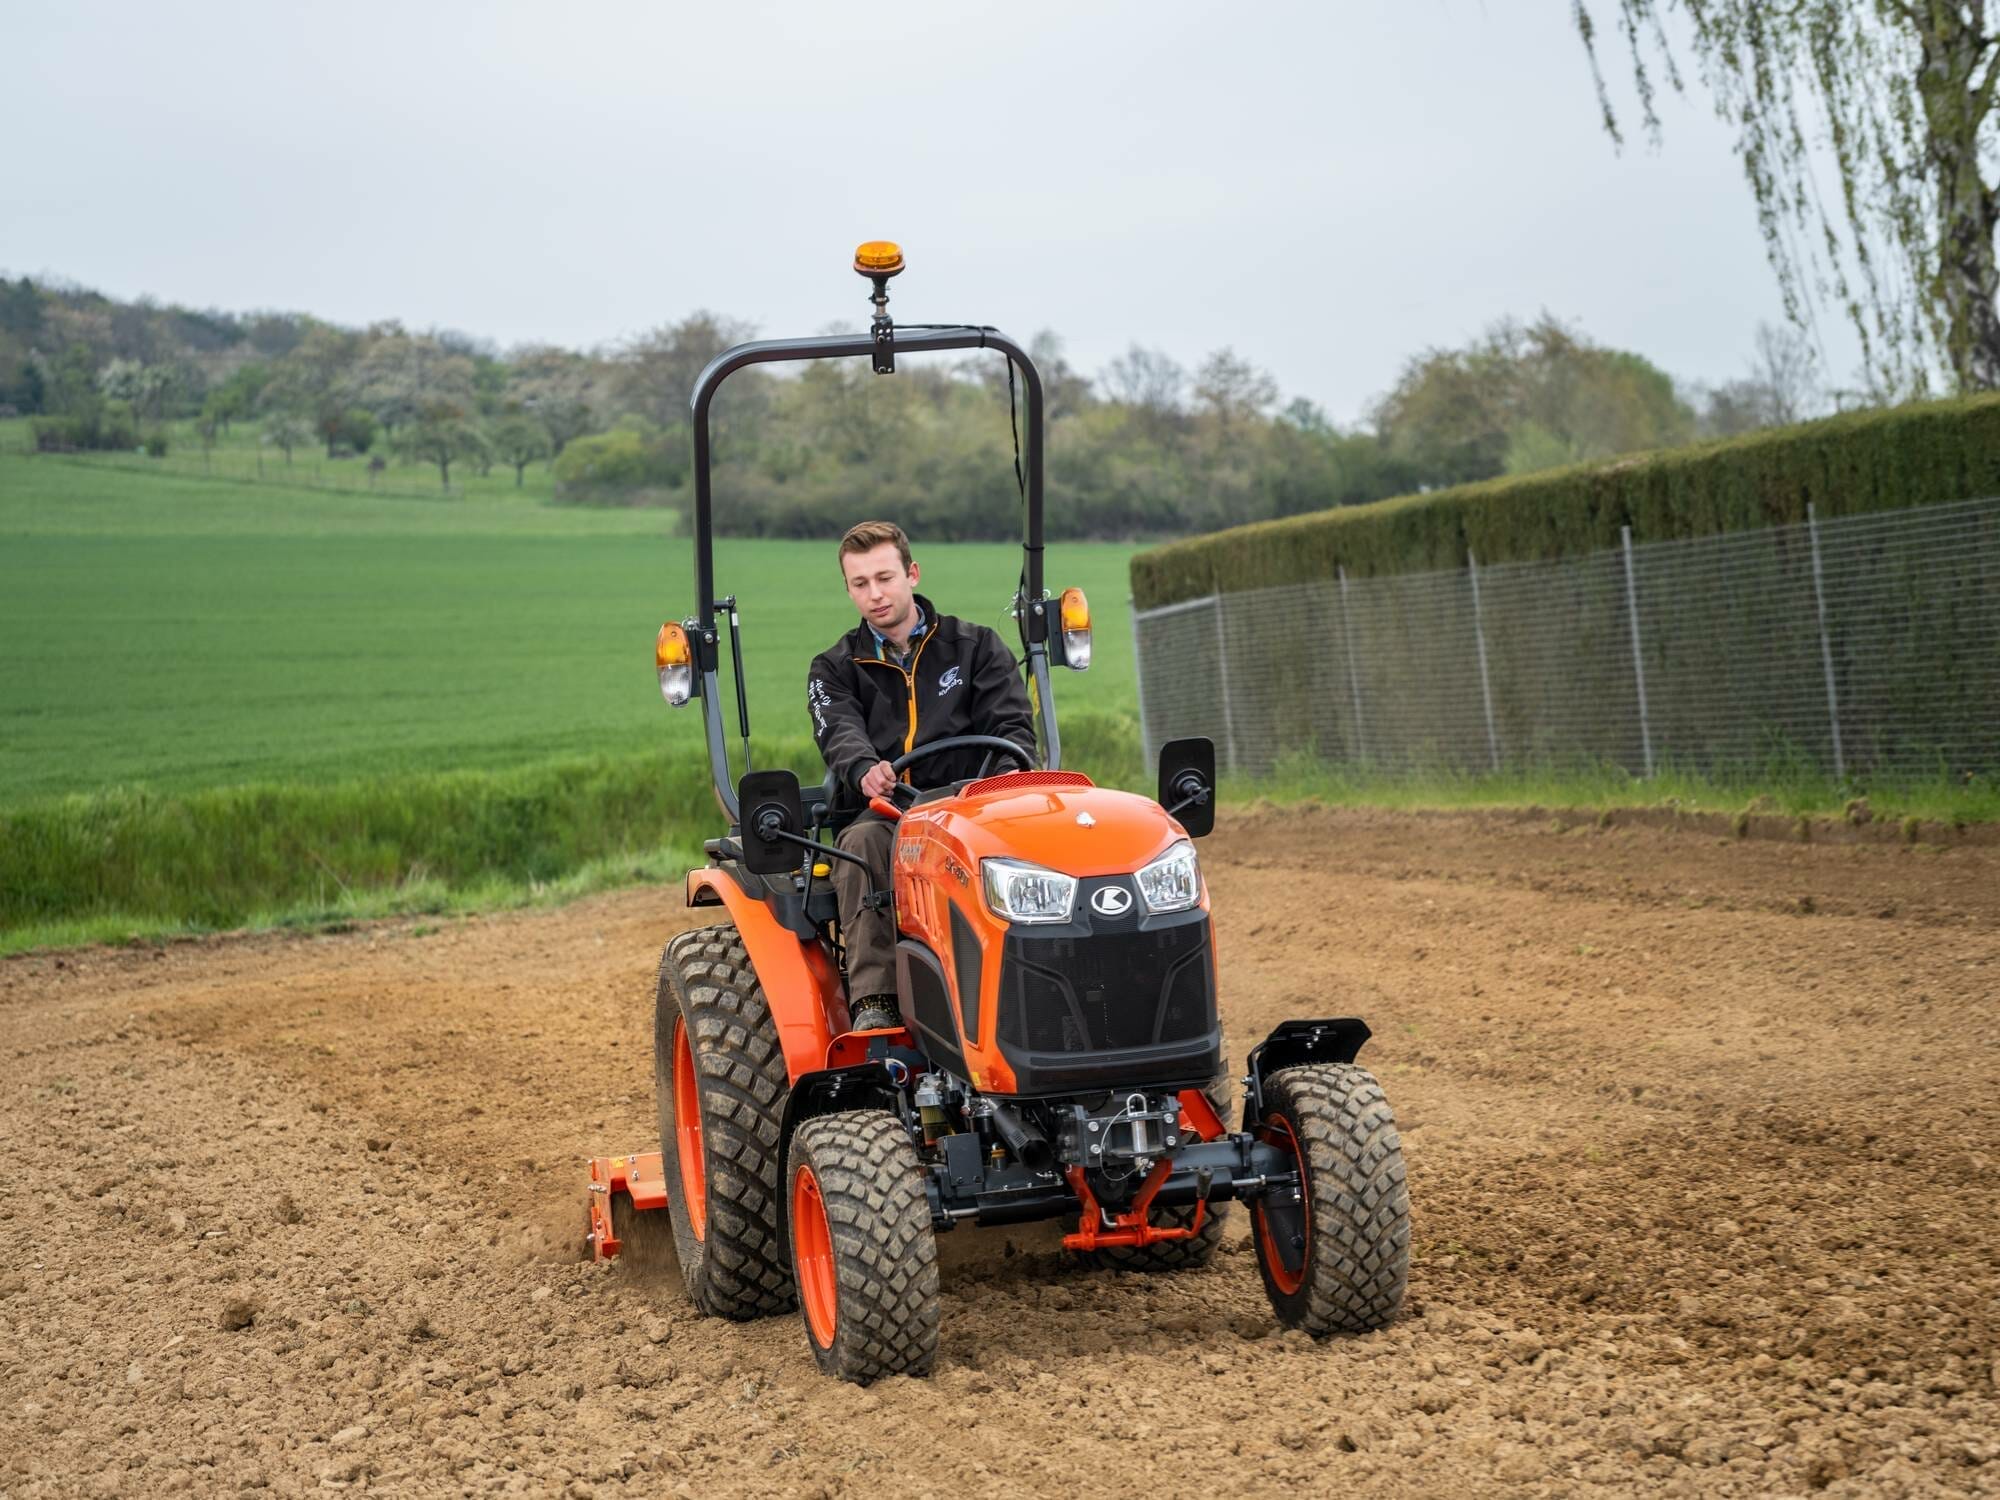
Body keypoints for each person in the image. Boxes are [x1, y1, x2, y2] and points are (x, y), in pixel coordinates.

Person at [806, 520, 1036, 1032]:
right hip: (890, 813)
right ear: (849, 589)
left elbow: (1013, 730)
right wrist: (864, 770)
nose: (875, 594)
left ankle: (1026, 987)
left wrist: (1001, 788)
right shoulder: (835, 668)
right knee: (860, 844)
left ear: (912, 574)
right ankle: (877, 1002)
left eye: (884, 578)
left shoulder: (975, 647)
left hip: (971, 808)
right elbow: (839, 730)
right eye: (860, 583)